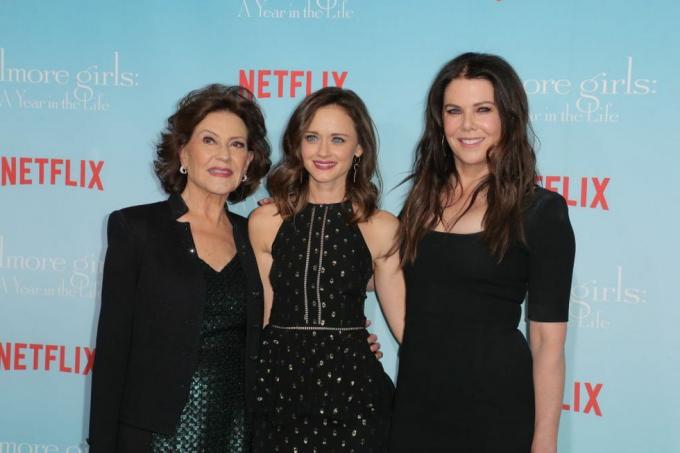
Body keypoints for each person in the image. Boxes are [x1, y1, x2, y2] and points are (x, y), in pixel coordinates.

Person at [389, 53, 576, 453]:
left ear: (509, 116)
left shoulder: (541, 211)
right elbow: (381, 274)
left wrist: (544, 440)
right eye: (454, 110)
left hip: (497, 410)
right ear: (440, 121)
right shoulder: (419, 203)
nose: (467, 125)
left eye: (483, 109)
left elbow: (546, 341)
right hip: (416, 406)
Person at [88, 84, 272, 452]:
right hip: (156, 437)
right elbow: (112, 352)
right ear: (183, 151)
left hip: (237, 434)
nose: (224, 155)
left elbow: (277, 324)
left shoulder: (254, 235)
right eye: (209, 140)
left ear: (248, 162)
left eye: (237, 145)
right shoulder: (135, 228)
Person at [248, 87, 405, 452]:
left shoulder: (380, 226)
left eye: (338, 139)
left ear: (359, 147)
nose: (322, 151)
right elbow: (265, 318)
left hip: (355, 397)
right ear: (297, 144)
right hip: (279, 393)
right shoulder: (265, 222)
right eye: (312, 137)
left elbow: (406, 330)